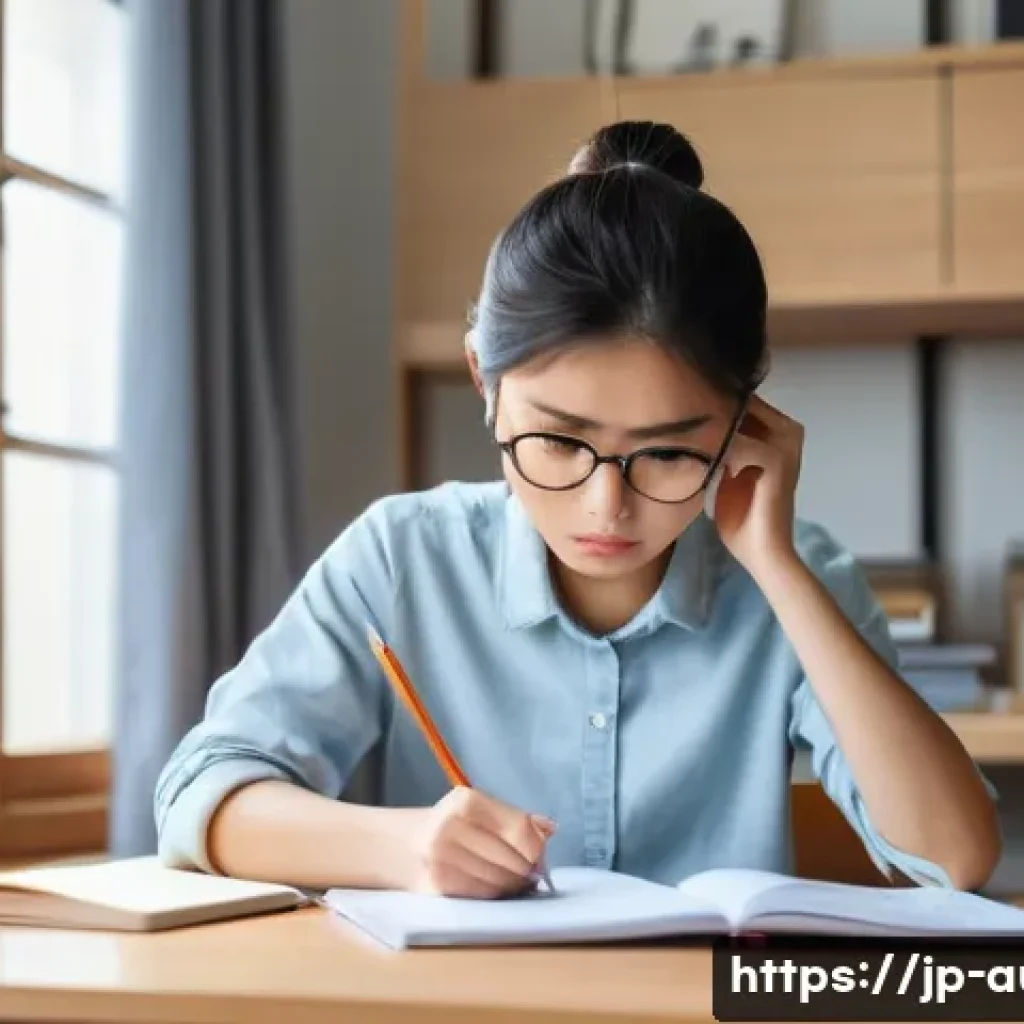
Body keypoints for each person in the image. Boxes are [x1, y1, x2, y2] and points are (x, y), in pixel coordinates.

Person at [155, 121, 1001, 898]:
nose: (608, 507)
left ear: (745, 424)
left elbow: (953, 858)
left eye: (668, 453)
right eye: (558, 443)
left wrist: (777, 568)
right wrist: (406, 847)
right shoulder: (401, 557)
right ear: (486, 386)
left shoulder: (800, 577)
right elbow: (202, 794)